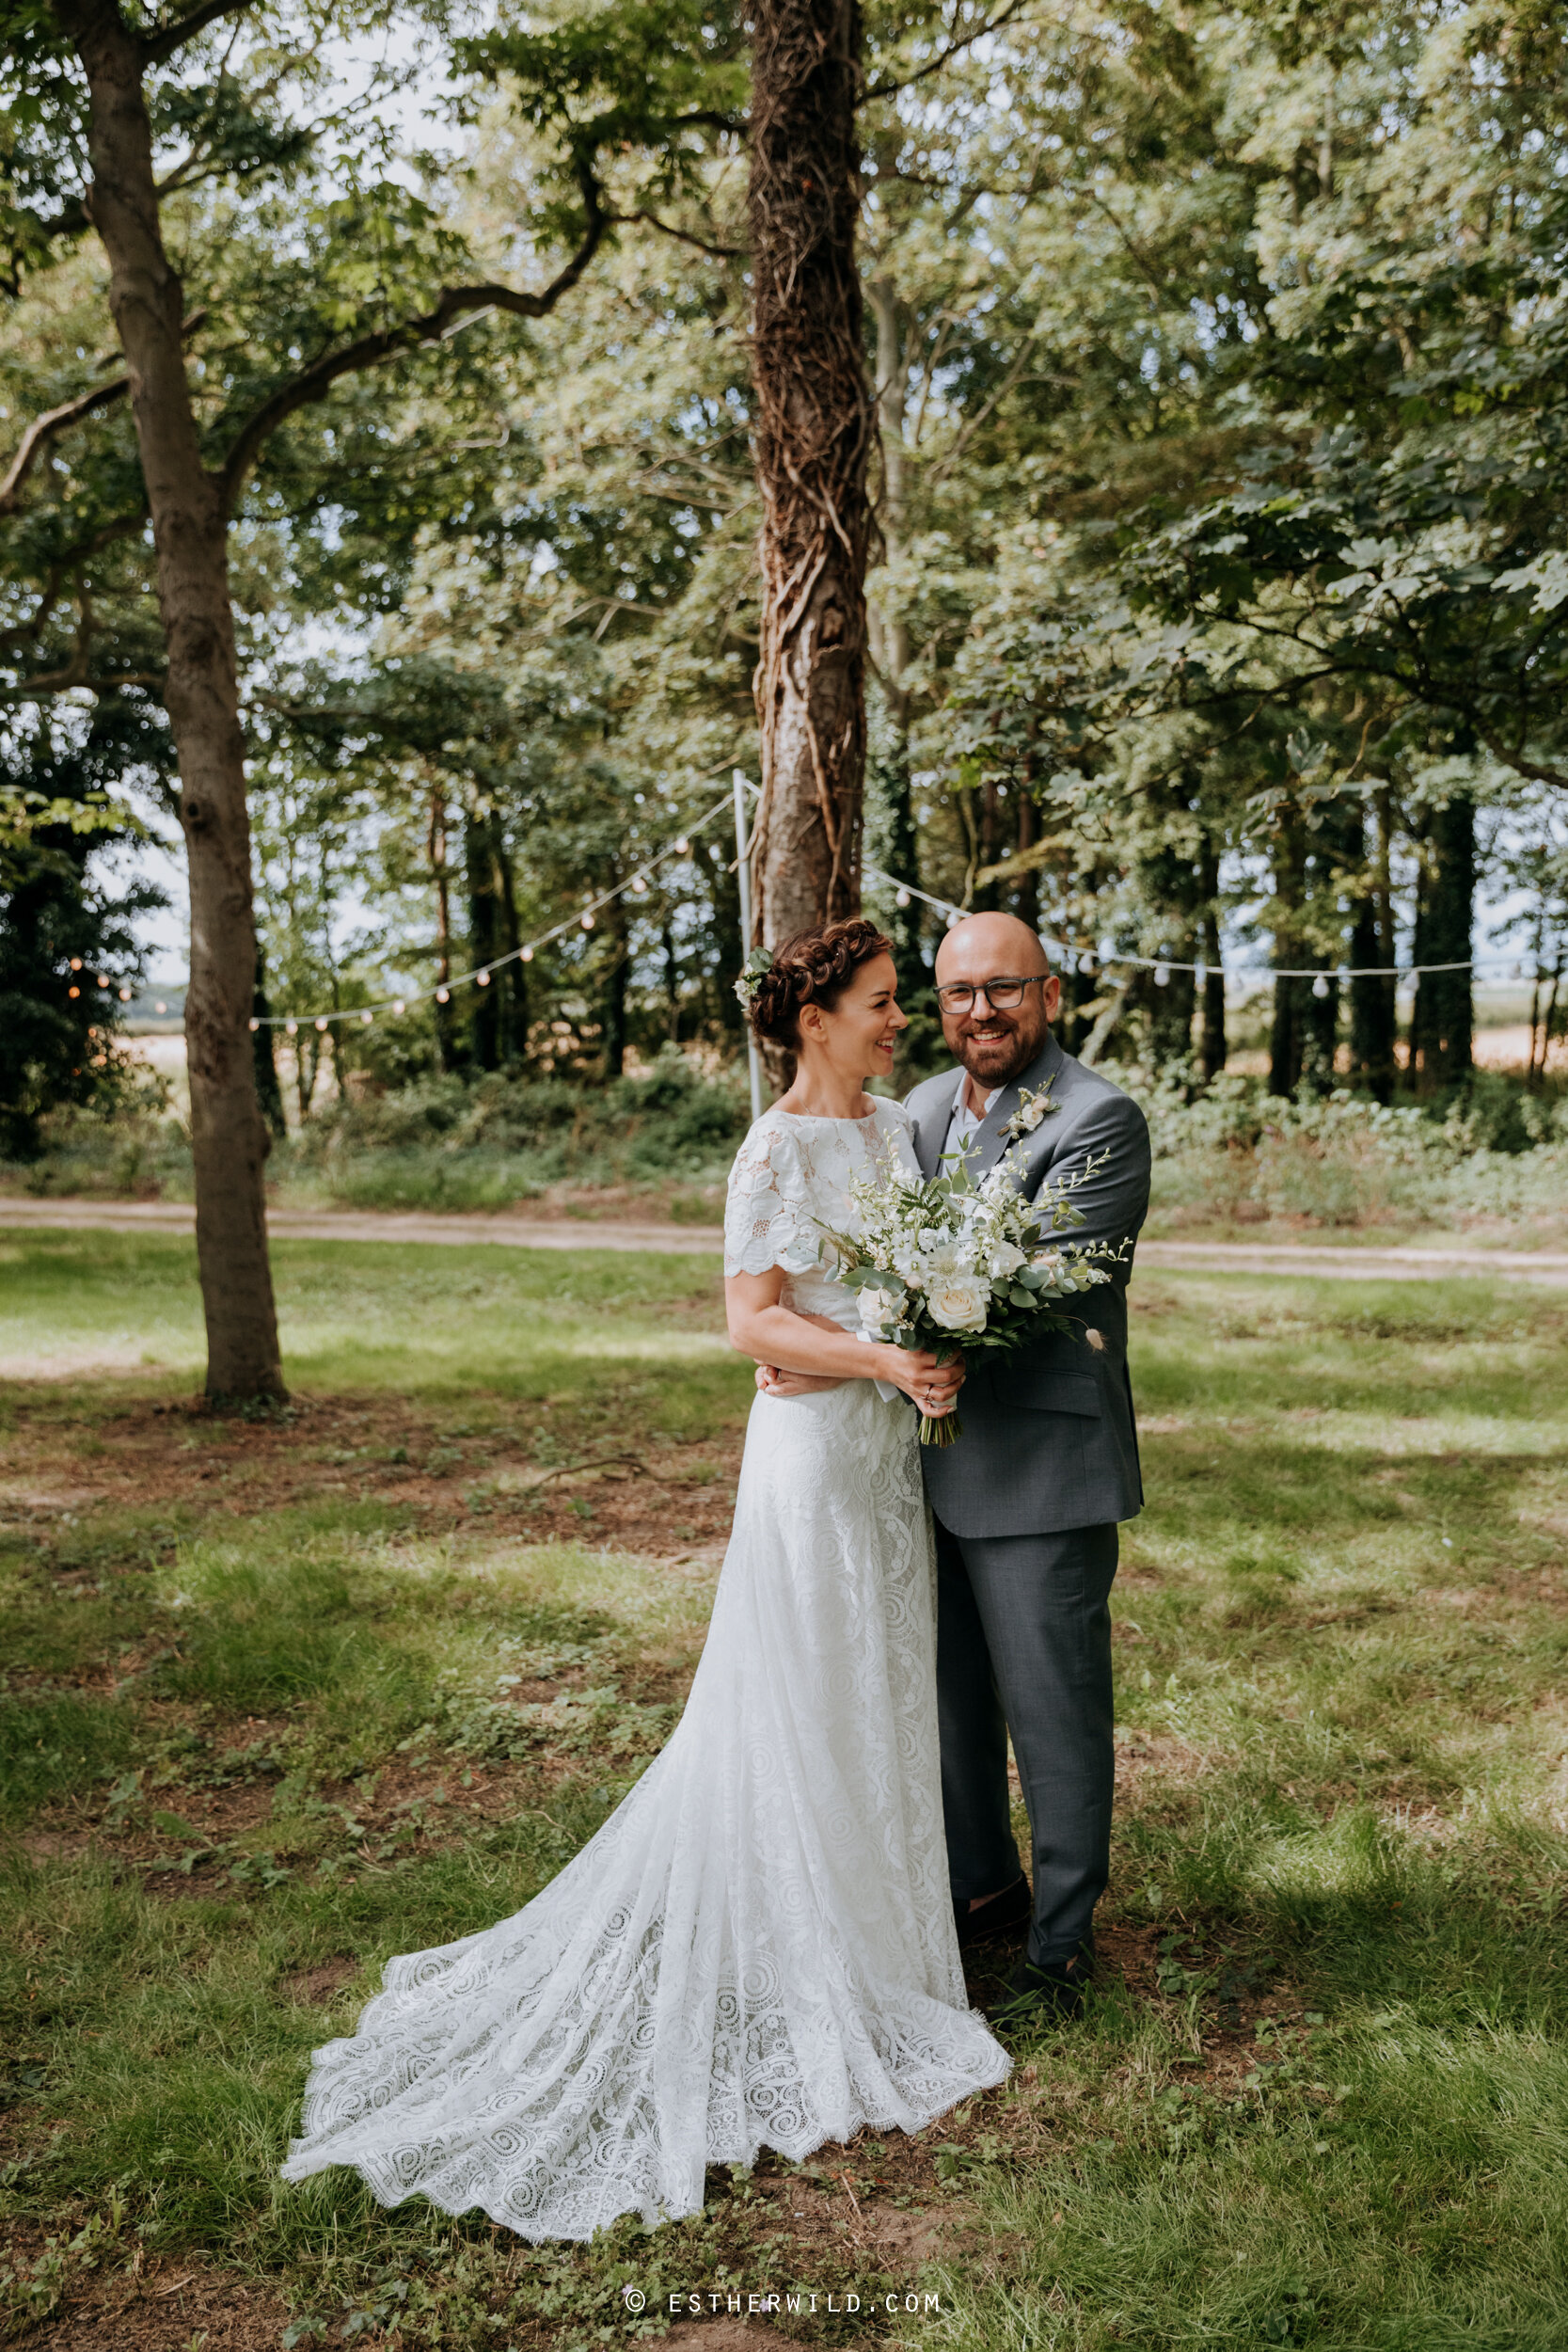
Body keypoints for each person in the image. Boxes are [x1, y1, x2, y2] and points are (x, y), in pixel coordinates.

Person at [279, 917, 1007, 2244]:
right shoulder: (773, 1147)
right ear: (812, 1019)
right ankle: (807, 1958)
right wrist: (880, 1360)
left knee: (877, 1684)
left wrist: (911, 1338)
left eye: (901, 1000)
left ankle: (890, 1953)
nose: (900, 1019)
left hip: (883, 1455)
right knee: (800, 1686)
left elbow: (885, 1284)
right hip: (811, 1454)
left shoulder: (897, 1126)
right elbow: (749, 1319)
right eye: (880, 1001)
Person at [903, 913, 1151, 2023]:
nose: (979, 1012)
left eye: (1002, 989)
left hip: (1042, 1464)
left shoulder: (1097, 1119)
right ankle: (983, 1888)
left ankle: (1060, 1941)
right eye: (958, 993)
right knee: (947, 1706)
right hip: (920, 1464)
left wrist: (888, 1317)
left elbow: (1041, 1281)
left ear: (1048, 995)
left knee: (1053, 1713)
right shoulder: (910, 1112)